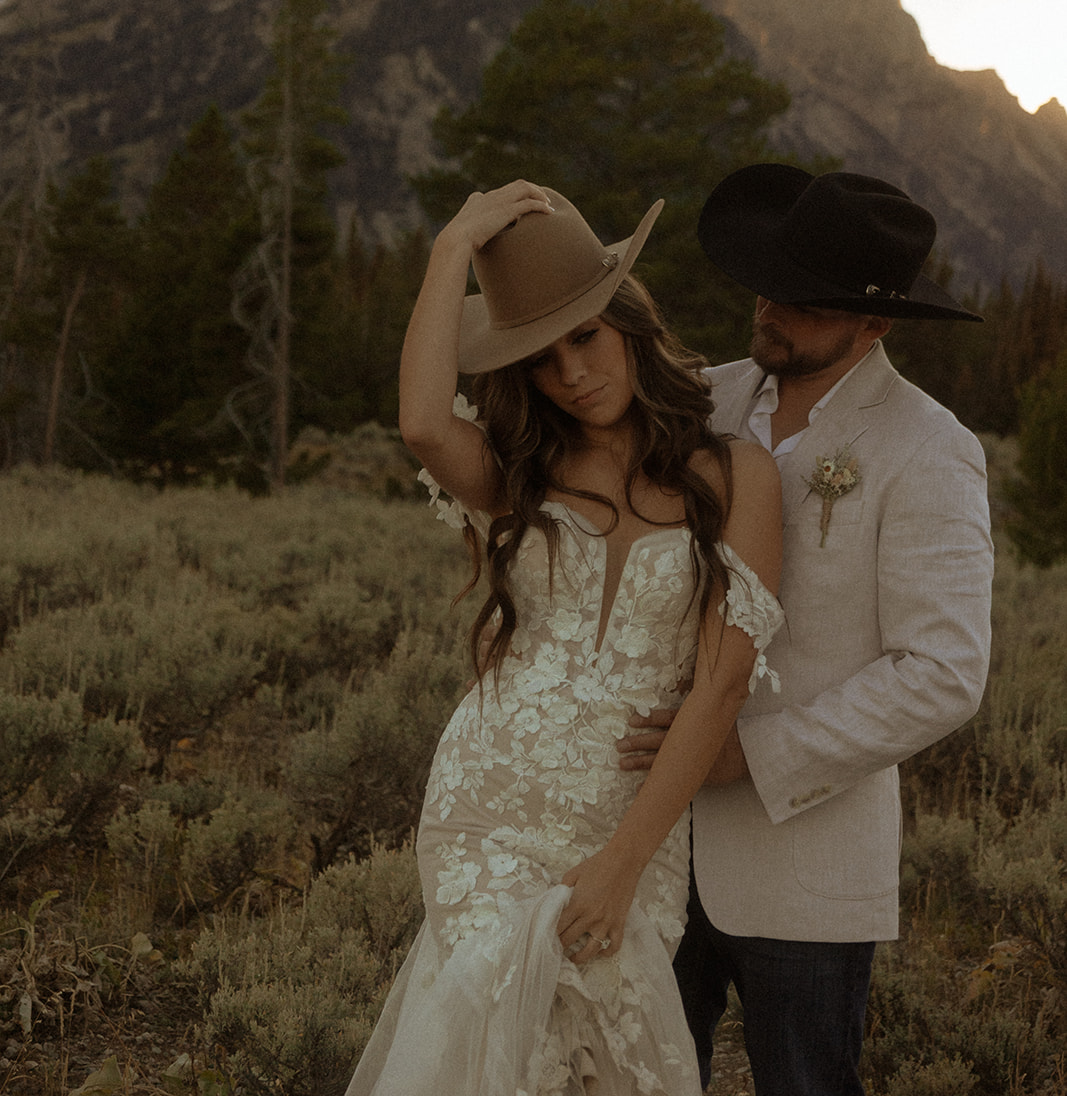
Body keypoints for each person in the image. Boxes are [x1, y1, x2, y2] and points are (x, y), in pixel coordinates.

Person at [344, 179, 783, 1096]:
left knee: (598, 1059)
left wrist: (621, 864)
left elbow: (720, 685)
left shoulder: (737, 474)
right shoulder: (524, 474)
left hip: (623, 823)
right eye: (540, 358)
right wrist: (451, 246)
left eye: (585, 336)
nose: (571, 372)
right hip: (486, 806)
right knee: (487, 1035)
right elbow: (424, 422)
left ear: (628, 321)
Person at [619, 165, 995, 1096]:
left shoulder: (927, 446)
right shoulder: (700, 400)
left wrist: (745, 753)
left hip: (808, 871)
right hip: (649, 843)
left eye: (804, 299)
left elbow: (943, 671)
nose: (770, 307)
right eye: (769, 281)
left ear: (875, 324)